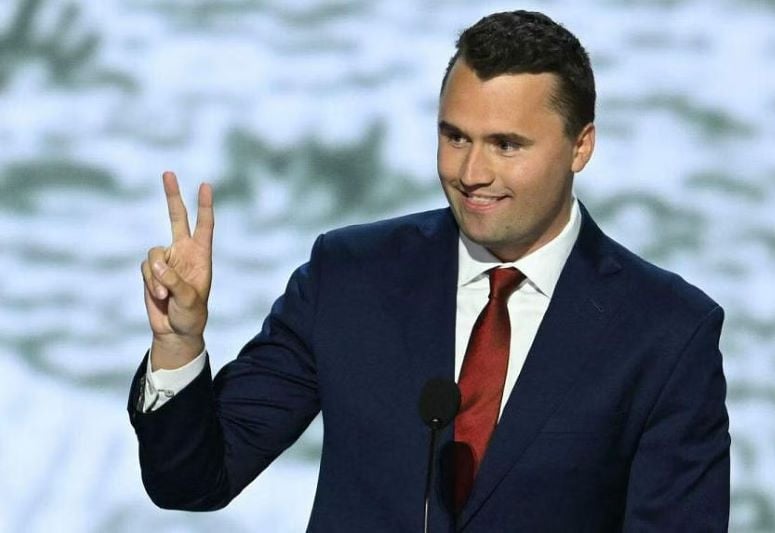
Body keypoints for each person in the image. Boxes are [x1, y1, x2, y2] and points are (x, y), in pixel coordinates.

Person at [129, 10, 730, 531]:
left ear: (581, 146)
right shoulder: (349, 277)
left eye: (507, 144)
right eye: (454, 136)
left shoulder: (667, 333)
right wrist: (179, 344)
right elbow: (194, 482)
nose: (472, 172)